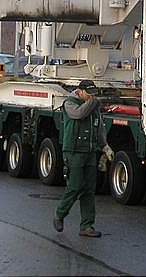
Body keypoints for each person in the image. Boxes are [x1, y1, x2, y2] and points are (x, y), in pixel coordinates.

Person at [53, 80, 114, 237]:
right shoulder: (70, 103)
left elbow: (99, 127)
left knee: (88, 190)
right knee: (75, 186)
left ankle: (87, 226)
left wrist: (105, 147)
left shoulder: (93, 106)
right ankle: (60, 214)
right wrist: (93, 102)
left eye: (93, 94)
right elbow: (79, 114)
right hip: (74, 152)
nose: (91, 97)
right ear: (79, 91)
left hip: (90, 152)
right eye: (89, 94)